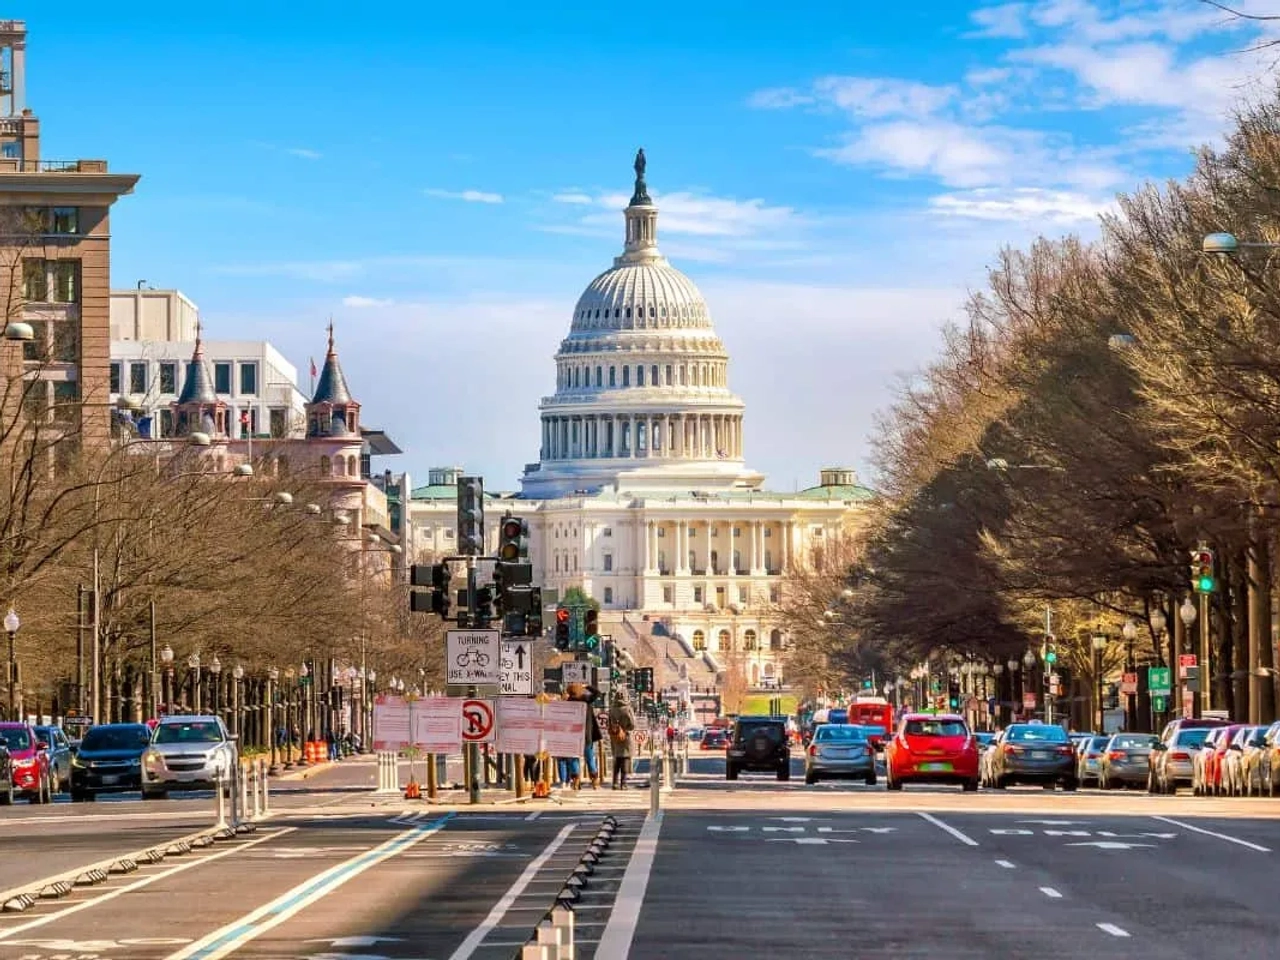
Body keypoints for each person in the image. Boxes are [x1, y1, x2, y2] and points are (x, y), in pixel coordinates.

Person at [566, 682, 603, 788]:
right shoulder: (586, 700)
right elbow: (597, 693)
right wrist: (587, 686)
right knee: (590, 758)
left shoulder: (567, 703)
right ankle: (594, 780)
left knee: (574, 758)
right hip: (586, 736)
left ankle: (576, 779)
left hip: (572, 736)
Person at [608, 690, 637, 789]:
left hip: (615, 736)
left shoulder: (612, 709)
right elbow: (633, 724)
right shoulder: (628, 709)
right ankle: (623, 783)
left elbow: (609, 723)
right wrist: (625, 729)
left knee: (617, 759)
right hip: (626, 736)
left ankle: (614, 782)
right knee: (625, 758)